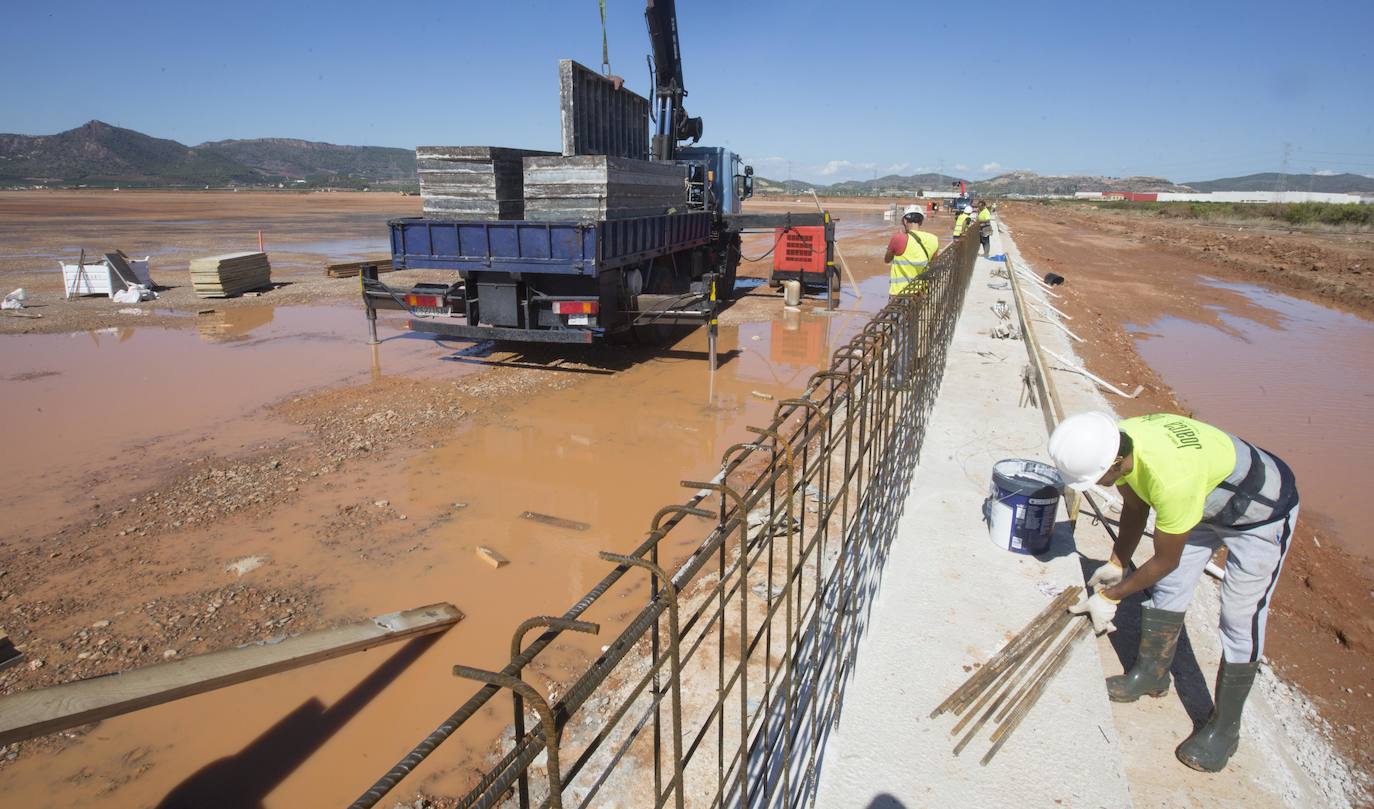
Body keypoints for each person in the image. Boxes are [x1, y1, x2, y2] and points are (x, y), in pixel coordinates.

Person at [1048, 412, 1300, 774]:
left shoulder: (1171, 479)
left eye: (1097, 478)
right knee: (1169, 589)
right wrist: (1118, 561)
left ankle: (1226, 731)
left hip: (1261, 514)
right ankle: (1152, 674)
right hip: (1205, 503)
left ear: (1117, 462)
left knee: (1239, 619)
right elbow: (1135, 506)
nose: (1096, 484)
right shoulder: (1121, 440)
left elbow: (1165, 559)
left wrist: (1111, 596)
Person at [884, 210, 939, 295]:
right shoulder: (934, 239)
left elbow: (887, 259)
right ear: (921, 222)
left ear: (905, 221)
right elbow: (932, 262)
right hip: (920, 292)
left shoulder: (899, 238)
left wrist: (899, 238)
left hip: (900, 294)